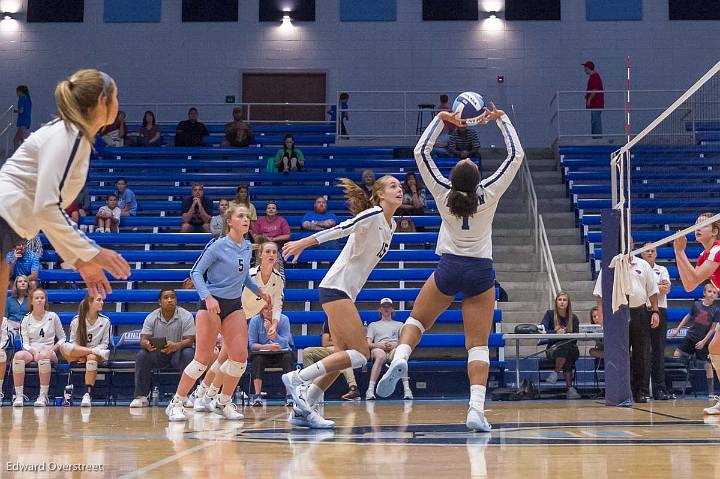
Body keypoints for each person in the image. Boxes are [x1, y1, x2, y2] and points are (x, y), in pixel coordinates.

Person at [376, 104, 524, 433]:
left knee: (417, 319)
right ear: (477, 178)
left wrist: (441, 121)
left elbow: (421, 152)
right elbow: (515, 156)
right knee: (478, 344)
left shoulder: (443, 193)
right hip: (481, 272)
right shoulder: (489, 192)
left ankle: (401, 355)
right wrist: (501, 119)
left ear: (454, 179)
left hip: (450, 265)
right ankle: (475, 409)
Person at [0, 68, 131, 320]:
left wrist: (80, 259)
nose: (119, 103)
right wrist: (91, 253)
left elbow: (47, 211)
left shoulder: (72, 135)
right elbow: (46, 207)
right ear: (102, 101)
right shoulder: (69, 135)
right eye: (116, 96)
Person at [281, 174, 403, 429]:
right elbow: (341, 228)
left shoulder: (391, 226)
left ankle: (303, 410)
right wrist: (304, 242)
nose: (399, 189)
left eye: (400, 186)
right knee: (360, 354)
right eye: (393, 186)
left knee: (340, 357)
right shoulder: (373, 215)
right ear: (380, 194)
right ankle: (297, 378)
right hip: (336, 288)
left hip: (344, 292)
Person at [165, 205, 271, 421]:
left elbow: (243, 277)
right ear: (229, 222)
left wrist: (258, 290)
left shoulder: (247, 246)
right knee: (202, 360)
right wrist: (208, 297)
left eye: (247, 217)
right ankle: (176, 402)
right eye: (240, 216)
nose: (245, 220)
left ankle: (222, 402)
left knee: (240, 358)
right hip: (211, 305)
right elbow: (195, 272)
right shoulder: (217, 246)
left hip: (233, 305)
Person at [191, 240, 285, 412]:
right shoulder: (248, 274)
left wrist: (274, 323)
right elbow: (232, 297)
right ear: (261, 255)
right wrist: (222, 328)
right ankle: (203, 395)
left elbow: (277, 303)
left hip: (247, 318)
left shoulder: (278, 279)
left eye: (274, 252)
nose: (272, 255)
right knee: (224, 359)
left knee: (230, 360)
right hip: (233, 316)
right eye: (268, 251)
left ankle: (207, 395)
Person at [594, 252, 660, 403]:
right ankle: (622, 391)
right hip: (617, 313)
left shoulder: (642, 264)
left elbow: (653, 291)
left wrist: (655, 311)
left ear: (632, 245)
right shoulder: (611, 265)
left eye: (629, 243)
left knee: (642, 352)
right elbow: (600, 292)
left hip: (639, 312)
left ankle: (641, 392)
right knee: (619, 353)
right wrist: (601, 313)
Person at [673, 212, 720, 414]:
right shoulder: (704, 255)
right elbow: (690, 284)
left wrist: (681, 252)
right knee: (715, 347)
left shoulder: (717, 250)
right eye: (696, 224)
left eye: (703, 224)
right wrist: (678, 253)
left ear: (715, 231)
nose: (697, 227)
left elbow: (696, 276)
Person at [129, 289, 196, 408]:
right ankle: (141, 396)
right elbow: (143, 340)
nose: (170, 300)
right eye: (166, 297)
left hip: (178, 352)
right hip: (158, 353)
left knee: (189, 353)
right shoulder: (152, 317)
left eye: (172, 297)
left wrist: (176, 345)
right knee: (142, 355)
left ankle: (187, 395)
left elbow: (190, 340)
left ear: (176, 300)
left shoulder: (186, 315)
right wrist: (147, 345)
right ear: (159, 302)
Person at [12, 288, 65, 407]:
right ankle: (19, 396)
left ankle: (43, 396)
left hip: (48, 351)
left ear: (45, 300)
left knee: (44, 355)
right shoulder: (26, 319)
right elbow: (25, 343)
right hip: (32, 350)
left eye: (42, 298)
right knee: (18, 356)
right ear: (31, 301)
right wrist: (34, 351)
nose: (40, 300)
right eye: (37, 298)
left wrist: (52, 349)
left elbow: (62, 338)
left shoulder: (53, 316)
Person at [60, 294, 112, 407]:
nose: (102, 302)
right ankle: (91, 351)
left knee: (92, 358)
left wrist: (89, 354)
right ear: (90, 303)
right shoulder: (76, 320)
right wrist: (84, 353)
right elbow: (73, 342)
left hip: (97, 354)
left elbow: (105, 344)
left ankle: (87, 394)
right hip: (81, 354)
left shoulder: (105, 321)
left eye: (102, 300)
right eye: (99, 300)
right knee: (63, 347)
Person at [670, 283, 720, 397]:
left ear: (716, 295)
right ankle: (673, 386)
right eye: (709, 291)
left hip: (703, 341)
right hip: (690, 337)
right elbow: (687, 317)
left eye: (714, 292)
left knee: (708, 365)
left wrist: (703, 341)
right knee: (677, 353)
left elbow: (712, 328)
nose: (712, 294)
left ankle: (711, 393)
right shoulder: (696, 305)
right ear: (704, 293)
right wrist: (678, 329)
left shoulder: (716, 310)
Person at [640, 244, 672, 400]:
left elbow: (665, 289)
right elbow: (640, 291)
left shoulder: (662, 269)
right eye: (647, 251)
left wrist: (650, 289)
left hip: (660, 309)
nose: (651, 253)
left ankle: (660, 389)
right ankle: (642, 390)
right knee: (643, 352)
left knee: (659, 350)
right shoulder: (638, 269)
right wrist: (655, 288)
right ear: (642, 254)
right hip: (643, 310)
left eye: (653, 251)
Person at [366, 298, 413, 400]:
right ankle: (370, 390)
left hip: (394, 349)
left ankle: (407, 389)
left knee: (401, 357)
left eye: (388, 307)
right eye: (384, 307)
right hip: (378, 349)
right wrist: (380, 345)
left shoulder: (400, 324)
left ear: (392, 309)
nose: (386, 309)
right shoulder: (373, 325)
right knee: (380, 356)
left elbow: (404, 341)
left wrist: (395, 345)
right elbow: (368, 343)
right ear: (380, 309)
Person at [302, 320, 361, 401]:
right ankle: (311, 387)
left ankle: (353, 388)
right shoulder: (329, 321)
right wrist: (340, 342)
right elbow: (325, 343)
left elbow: (352, 342)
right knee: (307, 352)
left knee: (343, 355)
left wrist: (339, 343)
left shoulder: (351, 320)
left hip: (347, 351)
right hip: (330, 349)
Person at [248, 305, 294, 406]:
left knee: (288, 357)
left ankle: (289, 395)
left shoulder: (284, 319)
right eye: (265, 308)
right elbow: (252, 345)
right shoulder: (254, 321)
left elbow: (285, 343)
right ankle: (257, 395)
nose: (269, 311)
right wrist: (268, 347)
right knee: (257, 359)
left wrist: (274, 333)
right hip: (263, 353)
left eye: (271, 308)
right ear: (260, 310)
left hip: (281, 353)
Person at [540, 292, 581, 399]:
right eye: (560, 300)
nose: (562, 302)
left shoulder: (574, 318)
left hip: (570, 347)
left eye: (564, 300)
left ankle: (555, 373)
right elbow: (542, 330)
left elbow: (575, 338)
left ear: (568, 303)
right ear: (556, 302)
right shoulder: (549, 314)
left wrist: (566, 335)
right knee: (566, 354)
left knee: (566, 348)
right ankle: (570, 389)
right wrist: (555, 333)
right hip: (553, 348)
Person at [583, 61, 604, 137]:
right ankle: (596, 137)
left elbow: (595, 89)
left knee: (595, 121)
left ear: (588, 68)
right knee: (595, 120)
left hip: (596, 104)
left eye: (585, 68)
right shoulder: (593, 77)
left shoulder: (595, 77)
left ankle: (597, 138)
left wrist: (589, 100)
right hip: (595, 104)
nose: (584, 70)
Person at [14, 85, 31, 149]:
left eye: (17, 92)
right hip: (26, 121)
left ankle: (17, 156)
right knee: (20, 140)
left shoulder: (22, 98)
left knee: (17, 140)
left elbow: (21, 111)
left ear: (20, 92)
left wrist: (15, 111)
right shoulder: (28, 99)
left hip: (22, 122)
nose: (17, 93)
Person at [0, 315, 10, 403]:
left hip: (0, 348)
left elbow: (5, 339)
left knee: (1, 355)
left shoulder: (3, 320)